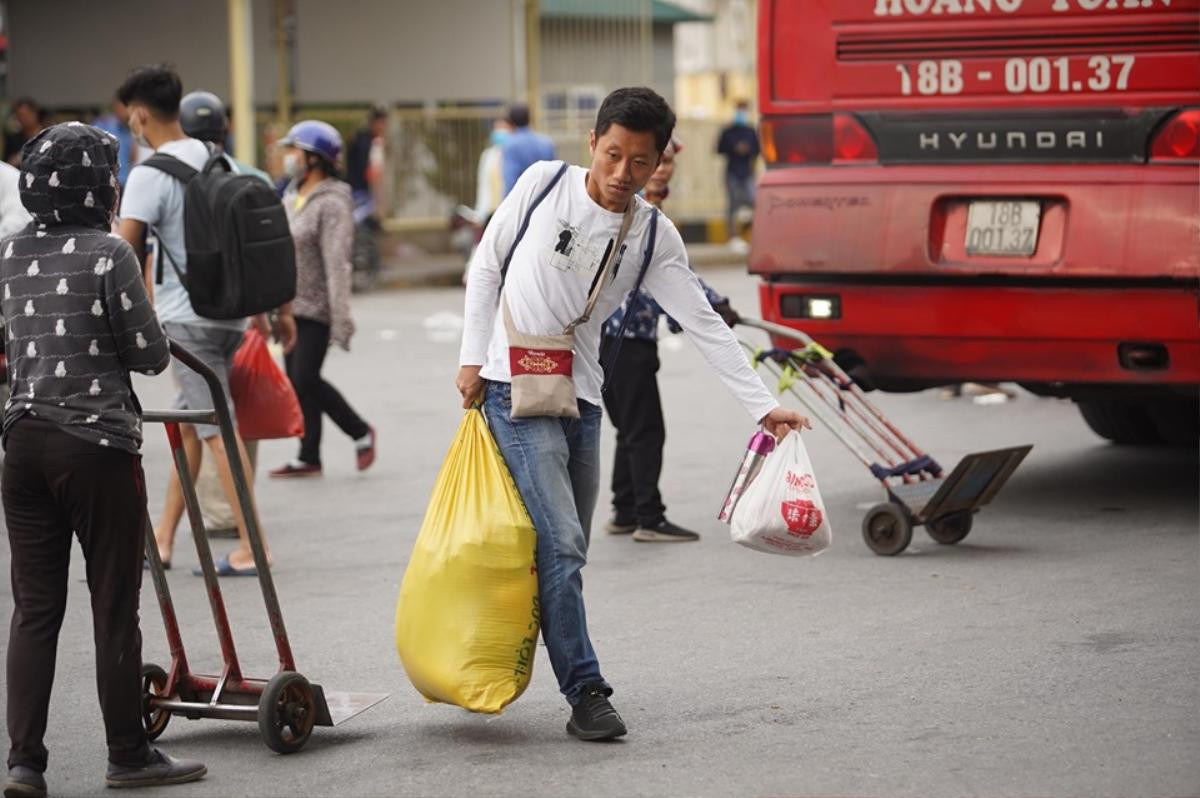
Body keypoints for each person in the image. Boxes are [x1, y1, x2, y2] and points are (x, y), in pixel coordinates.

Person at [457, 87, 809, 742]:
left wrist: (764, 407)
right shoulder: (541, 185)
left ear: (658, 163)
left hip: (582, 397)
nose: (622, 175)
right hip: (511, 388)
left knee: (568, 549)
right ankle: (586, 691)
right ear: (592, 143)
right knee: (559, 541)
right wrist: (472, 358)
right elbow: (487, 266)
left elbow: (703, 323)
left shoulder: (651, 235)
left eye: (639, 162)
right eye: (613, 155)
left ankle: (495, 652)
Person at [1, 122, 207, 797]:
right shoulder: (107, 253)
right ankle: (128, 754)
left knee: (35, 608)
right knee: (114, 603)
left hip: (23, 445)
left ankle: (24, 765)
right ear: (99, 185)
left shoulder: (5, 254)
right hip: (96, 449)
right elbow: (148, 354)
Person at [115, 64, 273, 576]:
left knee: (215, 431)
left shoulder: (149, 173)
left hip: (186, 322)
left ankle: (254, 546)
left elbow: (125, 253)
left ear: (139, 115)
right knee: (189, 428)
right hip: (231, 315)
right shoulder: (218, 158)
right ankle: (161, 540)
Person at [600, 137, 742, 543]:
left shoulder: (648, 208)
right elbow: (661, 278)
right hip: (622, 336)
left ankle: (625, 510)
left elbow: (673, 272)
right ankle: (649, 517)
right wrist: (710, 306)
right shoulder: (637, 211)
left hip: (619, 336)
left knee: (631, 428)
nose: (663, 169)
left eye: (668, 161)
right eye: (656, 161)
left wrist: (710, 306)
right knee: (645, 430)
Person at [178, 89, 297, 533]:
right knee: (227, 409)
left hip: (189, 315)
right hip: (245, 315)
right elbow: (272, 252)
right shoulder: (250, 176)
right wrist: (276, 313)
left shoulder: (173, 177)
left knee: (204, 417)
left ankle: (226, 514)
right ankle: (194, 522)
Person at [268, 120, 376, 478]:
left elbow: (337, 262)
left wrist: (341, 316)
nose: (289, 158)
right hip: (288, 305)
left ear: (314, 158)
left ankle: (359, 430)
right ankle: (308, 454)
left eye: (294, 151)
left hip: (317, 307)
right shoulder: (291, 195)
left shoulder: (332, 203)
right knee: (297, 381)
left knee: (306, 377)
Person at [716, 99, 760, 250]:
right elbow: (719, 149)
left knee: (754, 202)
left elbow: (757, 150)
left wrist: (748, 150)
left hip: (747, 172)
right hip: (732, 172)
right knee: (732, 205)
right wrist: (734, 148)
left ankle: (752, 235)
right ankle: (733, 237)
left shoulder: (750, 131)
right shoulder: (728, 131)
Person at [500, 102, 555, 197]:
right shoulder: (546, 142)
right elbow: (554, 173)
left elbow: (510, 181)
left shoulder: (510, 145)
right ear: (529, 119)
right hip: (545, 198)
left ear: (510, 122)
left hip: (523, 200)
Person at [92, 97, 136, 186]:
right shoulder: (103, 124)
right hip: (105, 182)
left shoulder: (129, 129)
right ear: (115, 107)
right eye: (124, 107)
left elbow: (132, 157)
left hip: (124, 181)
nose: (127, 111)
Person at [5, 98, 46, 166]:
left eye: (26, 115)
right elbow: (6, 164)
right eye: (20, 115)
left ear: (35, 113)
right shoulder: (12, 140)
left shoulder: (48, 135)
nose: (23, 119)